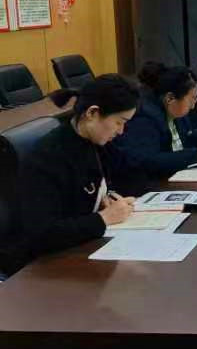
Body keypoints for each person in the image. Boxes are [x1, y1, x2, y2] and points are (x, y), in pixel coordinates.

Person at [2, 75, 140, 275]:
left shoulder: (94, 140)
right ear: (92, 113)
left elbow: (124, 173)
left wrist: (106, 197)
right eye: (119, 122)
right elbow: (42, 233)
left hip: (77, 247)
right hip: (39, 265)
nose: (121, 131)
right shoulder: (48, 157)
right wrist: (103, 218)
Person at [113, 64, 197, 178]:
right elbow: (149, 160)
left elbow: (189, 134)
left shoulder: (176, 113)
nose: (193, 106)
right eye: (191, 99)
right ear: (170, 98)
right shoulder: (145, 118)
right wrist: (196, 155)